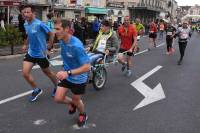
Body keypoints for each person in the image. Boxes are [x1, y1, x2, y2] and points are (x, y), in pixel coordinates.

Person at [54, 19, 91, 127]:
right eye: (54, 28)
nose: (55, 31)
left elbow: (87, 67)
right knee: (58, 98)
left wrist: (68, 73)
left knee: (77, 101)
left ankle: (83, 114)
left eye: (58, 29)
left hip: (79, 78)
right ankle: (72, 104)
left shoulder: (76, 46)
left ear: (66, 29)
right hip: (67, 75)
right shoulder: (62, 40)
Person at [21, 5, 57, 102]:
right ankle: (36, 90)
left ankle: (57, 86)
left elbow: (52, 34)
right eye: (24, 12)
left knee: (47, 72)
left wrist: (49, 47)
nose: (26, 14)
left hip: (41, 54)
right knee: (25, 73)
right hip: (31, 53)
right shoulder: (26, 24)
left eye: (28, 12)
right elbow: (29, 34)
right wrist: (25, 44)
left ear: (33, 13)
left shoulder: (39, 24)